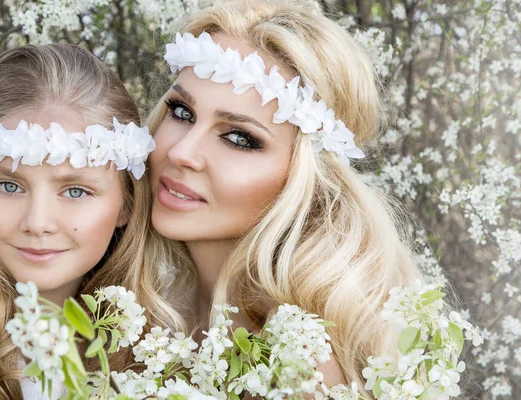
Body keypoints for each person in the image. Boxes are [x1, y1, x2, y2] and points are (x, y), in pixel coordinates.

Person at [145, 0, 423, 394]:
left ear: (306, 176)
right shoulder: (152, 311)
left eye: (239, 138)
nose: (181, 153)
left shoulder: (302, 363)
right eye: (181, 112)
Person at [0, 44, 160, 399]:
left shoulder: (154, 352)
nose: (38, 222)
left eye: (76, 191)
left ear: (126, 204)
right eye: (8, 185)